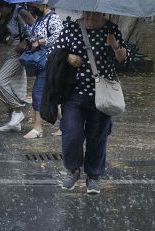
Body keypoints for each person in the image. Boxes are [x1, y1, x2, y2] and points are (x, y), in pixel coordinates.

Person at [54, 11, 130, 194]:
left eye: (94, 16)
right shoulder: (71, 28)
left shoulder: (111, 30)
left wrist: (115, 46)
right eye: (86, 14)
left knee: (98, 136)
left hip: (102, 96)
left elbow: (125, 60)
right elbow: (54, 52)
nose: (89, 18)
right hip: (73, 93)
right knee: (71, 134)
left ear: (103, 14)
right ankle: (72, 170)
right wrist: (68, 57)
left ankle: (93, 175)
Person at [21, 0, 62, 139]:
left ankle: (38, 128)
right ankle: (65, 125)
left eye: (34, 5)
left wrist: (40, 41)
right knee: (52, 95)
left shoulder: (53, 18)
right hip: (40, 61)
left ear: (43, 4)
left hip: (50, 61)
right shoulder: (38, 18)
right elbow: (32, 34)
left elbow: (58, 37)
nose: (33, 7)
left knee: (37, 93)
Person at [0, 5, 31, 132]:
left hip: (17, 51)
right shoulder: (5, 11)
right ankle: (13, 122)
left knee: (0, 81)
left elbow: (35, 28)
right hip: (6, 49)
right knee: (12, 84)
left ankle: (17, 110)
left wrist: (26, 41)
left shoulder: (20, 11)